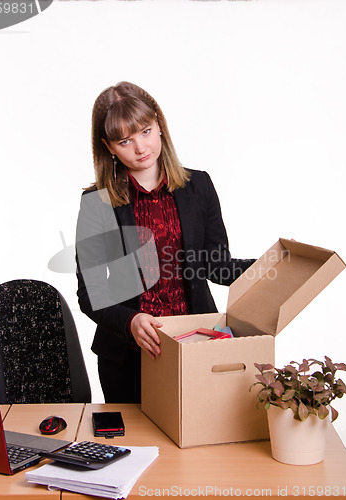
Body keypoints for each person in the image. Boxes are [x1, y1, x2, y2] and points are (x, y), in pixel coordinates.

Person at [76, 81, 255, 403]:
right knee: (137, 452)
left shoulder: (199, 186)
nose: (140, 148)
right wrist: (130, 320)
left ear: (158, 123)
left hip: (197, 348)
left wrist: (275, 264)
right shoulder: (96, 202)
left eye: (145, 131)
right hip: (128, 357)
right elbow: (90, 292)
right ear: (109, 146)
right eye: (124, 141)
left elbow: (218, 268)